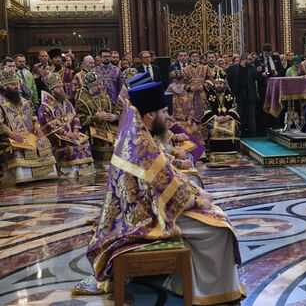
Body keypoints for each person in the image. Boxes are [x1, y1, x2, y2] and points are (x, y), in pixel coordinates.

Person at [73, 82, 244, 305]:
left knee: (211, 213)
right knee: (219, 228)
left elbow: (165, 177)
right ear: (151, 114)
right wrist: (197, 200)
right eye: (164, 112)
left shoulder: (137, 133)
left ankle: (184, 281)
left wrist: (192, 192)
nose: (168, 116)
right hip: (146, 218)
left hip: (140, 209)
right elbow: (167, 187)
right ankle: (211, 292)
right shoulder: (142, 143)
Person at [0, 70, 57, 183]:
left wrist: (37, 127)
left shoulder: (24, 101)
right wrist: (11, 134)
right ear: (5, 86)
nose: (16, 87)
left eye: (17, 83)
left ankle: (44, 175)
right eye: (12, 84)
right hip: (8, 136)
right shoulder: (0, 102)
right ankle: (22, 177)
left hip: (29, 134)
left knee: (43, 140)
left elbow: (34, 118)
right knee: (17, 147)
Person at [37, 73, 95, 176]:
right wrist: (67, 134)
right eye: (57, 87)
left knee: (84, 141)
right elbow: (49, 124)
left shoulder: (66, 102)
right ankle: (69, 170)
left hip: (71, 133)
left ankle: (83, 170)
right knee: (69, 145)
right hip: (57, 136)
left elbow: (75, 116)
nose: (61, 89)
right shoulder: (45, 106)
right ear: (51, 90)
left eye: (61, 86)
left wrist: (76, 130)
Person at [76, 72, 119, 167]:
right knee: (101, 142)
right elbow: (79, 119)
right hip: (93, 129)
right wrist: (95, 117)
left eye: (100, 84)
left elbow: (116, 110)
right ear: (90, 87)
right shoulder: (82, 100)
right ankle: (100, 166)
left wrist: (114, 116)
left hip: (109, 127)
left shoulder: (105, 96)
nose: (100, 87)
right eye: (96, 85)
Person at [201, 70, 240, 159]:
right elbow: (206, 109)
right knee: (213, 128)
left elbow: (234, 107)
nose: (218, 85)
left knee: (234, 126)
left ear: (224, 84)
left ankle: (232, 152)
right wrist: (215, 118)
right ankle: (214, 152)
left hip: (228, 118)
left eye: (221, 83)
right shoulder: (209, 96)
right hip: (214, 119)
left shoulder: (230, 95)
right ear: (214, 84)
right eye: (217, 83)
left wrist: (227, 117)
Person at [168, 68, 209, 146]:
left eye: (181, 83)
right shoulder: (168, 95)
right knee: (184, 131)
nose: (179, 85)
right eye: (177, 83)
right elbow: (167, 112)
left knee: (195, 129)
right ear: (172, 84)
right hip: (173, 123)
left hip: (187, 122)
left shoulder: (185, 94)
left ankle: (197, 153)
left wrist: (190, 119)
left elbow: (191, 109)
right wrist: (173, 121)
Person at [226, 53, 260, 137]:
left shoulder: (252, 68)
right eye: (249, 59)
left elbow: (257, 79)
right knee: (238, 115)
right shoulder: (232, 68)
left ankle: (253, 136)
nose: (251, 61)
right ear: (244, 59)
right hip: (237, 95)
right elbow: (228, 81)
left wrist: (259, 72)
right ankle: (238, 135)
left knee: (251, 117)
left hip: (250, 95)